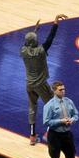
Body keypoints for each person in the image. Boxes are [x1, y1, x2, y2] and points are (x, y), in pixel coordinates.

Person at [21, 16, 64, 144]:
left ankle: (32, 137)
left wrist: (35, 30)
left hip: (29, 84)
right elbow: (50, 39)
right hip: (41, 84)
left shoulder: (23, 51)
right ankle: (49, 133)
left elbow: (28, 41)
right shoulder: (40, 51)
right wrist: (55, 24)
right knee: (54, 105)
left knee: (32, 108)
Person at [41, 81, 79, 158]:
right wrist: (61, 121)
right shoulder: (49, 105)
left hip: (67, 135)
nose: (63, 91)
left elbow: (76, 114)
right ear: (54, 91)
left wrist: (72, 120)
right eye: (60, 90)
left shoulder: (69, 101)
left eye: (64, 89)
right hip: (55, 136)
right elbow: (46, 122)